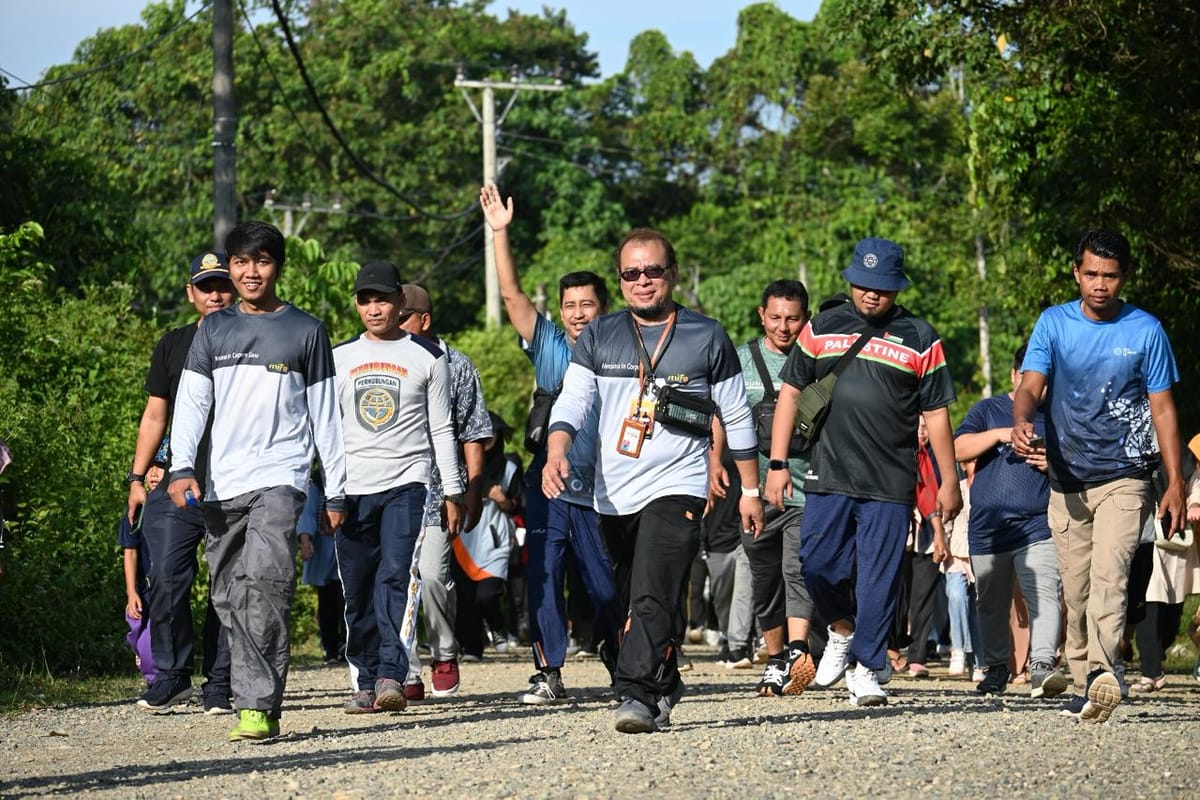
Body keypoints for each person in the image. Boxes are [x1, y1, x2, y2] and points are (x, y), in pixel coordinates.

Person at [543, 227, 764, 734]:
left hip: (679, 482)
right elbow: (574, 399)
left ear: (673, 274)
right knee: (621, 602)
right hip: (614, 493)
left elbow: (736, 414)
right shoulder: (599, 335)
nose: (643, 281)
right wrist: (558, 447)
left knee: (650, 591)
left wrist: (750, 490)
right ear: (620, 280)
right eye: (631, 273)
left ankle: (636, 693)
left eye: (653, 271)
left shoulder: (706, 335)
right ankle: (664, 675)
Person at [167, 221, 348, 741]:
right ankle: (257, 691)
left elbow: (325, 417)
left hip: (281, 477)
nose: (251, 272)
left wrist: (334, 488)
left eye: (261, 261)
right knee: (227, 594)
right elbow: (193, 403)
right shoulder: (214, 330)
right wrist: (182, 466)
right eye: (242, 262)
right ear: (232, 266)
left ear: (277, 267)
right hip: (223, 485)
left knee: (267, 586)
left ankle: (256, 704)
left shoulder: (306, 331)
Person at [765, 236, 961, 708]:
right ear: (851, 281)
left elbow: (936, 415)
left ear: (897, 287)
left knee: (879, 576)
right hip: (828, 473)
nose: (872, 295)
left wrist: (949, 481)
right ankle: (841, 629)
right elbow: (791, 393)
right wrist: (775, 465)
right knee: (815, 563)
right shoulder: (823, 325)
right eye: (864, 285)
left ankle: (868, 668)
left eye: (883, 287)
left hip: (891, 481)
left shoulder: (920, 336)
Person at [1012, 229, 1184, 723]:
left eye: (1110, 276)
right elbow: (1031, 385)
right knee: (1077, 590)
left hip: (1126, 475)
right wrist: (1023, 419)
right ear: (1076, 272)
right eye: (1091, 274)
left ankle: (1102, 676)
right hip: (1067, 481)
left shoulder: (1146, 330)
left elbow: (1164, 410)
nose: (1100, 285)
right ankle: (1083, 668)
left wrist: (1173, 482)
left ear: (1123, 277)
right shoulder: (1054, 324)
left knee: (1111, 578)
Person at [480, 183, 621, 705]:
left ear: (605, 308)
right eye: (570, 305)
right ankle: (549, 672)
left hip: (608, 487)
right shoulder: (550, 345)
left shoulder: (626, 346)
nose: (579, 313)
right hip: (551, 481)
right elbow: (514, 295)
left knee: (604, 585)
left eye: (587, 304)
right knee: (543, 574)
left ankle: (618, 654)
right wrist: (500, 233)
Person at [331, 262, 464, 713]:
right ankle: (364, 681)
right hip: (351, 488)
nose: (374, 308)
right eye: (366, 299)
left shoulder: (428, 358)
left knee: (395, 577)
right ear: (355, 304)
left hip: (408, 483)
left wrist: (453, 490)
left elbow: (443, 429)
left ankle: (391, 674)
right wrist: (329, 491)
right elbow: (326, 431)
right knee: (357, 586)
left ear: (400, 303)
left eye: (383, 299)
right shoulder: (338, 358)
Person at [126, 251, 235, 714]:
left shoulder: (252, 340)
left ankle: (220, 682)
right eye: (205, 286)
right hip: (176, 482)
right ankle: (171, 675)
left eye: (222, 286)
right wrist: (136, 476)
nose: (215, 294)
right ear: (191, 293)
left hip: (234, 482)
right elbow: (155, 414)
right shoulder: (172, 344)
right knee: (167, 574)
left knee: (227, 584)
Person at [711, 279, 819, 696]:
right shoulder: (741, 360)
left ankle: (796, 652)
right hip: (753, 490)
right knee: (763, 576)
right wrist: (713, 463)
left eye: (793, 319)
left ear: (805, 319)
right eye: (775, 317)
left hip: (805, 487)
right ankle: (775, 660)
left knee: (798, 568)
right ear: (761, 315)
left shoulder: (817, 360)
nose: (784, 327)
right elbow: (724, 414)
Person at [397, 283, 493, 701]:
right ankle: (405, 667)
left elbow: (472, 433)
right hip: (394, 486)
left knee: (434, 575)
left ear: (425, 319)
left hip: (441, 491)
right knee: (398, 580)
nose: (394, 323)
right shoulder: (385, 358)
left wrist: (470, 491)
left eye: (403, 316)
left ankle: (444, 652)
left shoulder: (457, 366)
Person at [955, 343, 1066, 698]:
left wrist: (1054, 465)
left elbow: (1079, 466)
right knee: (991, 603)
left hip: (1037, 525)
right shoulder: (988, 409)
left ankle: (1042, 668)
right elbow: (957, 448)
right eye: (1030, 378)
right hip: (987, 528)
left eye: (1045, 382)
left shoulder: (1057, 414)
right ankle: (997, 668)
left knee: (1045, 596)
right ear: (1014, 375)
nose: (1038, 389)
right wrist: (1001, 434)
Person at [453, 413, 521, 660]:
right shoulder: (457, 467)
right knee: (465, 598)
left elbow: (518, 505)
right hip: (464, 539)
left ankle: (497, 625)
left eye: (491, 434)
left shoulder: (510, 468)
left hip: (494, 541)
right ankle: (472, 647)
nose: (486, 438)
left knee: (488, 596)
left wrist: (502, 500)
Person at [120, 441, 169, 687]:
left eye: (160, 466)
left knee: (160, 637)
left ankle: (160, 682)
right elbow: (130, 552)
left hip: (167, 588)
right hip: (142, 588)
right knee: (139, 636)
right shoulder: (135, 511)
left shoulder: (177, 510)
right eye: (149, 467)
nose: (153, 473)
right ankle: (152, 675)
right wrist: (131, 592)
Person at [296, 469, 346, 665]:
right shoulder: (315, 482)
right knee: (327, 603)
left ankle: (347, 645)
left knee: (346, 601)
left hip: (346, 549)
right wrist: (305, 539)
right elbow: (307, 513)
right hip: (325, 551)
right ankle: (331, 648)